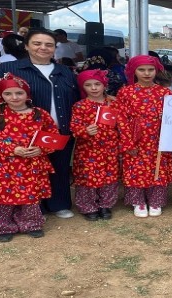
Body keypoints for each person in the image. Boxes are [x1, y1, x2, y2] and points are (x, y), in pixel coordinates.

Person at [0, 29, 80, 219]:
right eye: (37, 43)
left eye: (49, 44)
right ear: (26, 46)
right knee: (27, 171)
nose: (43, 48)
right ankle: (32, 208)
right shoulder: (9, 68)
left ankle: (59, 204)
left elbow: (77, 98)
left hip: (58, 130)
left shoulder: (64, 71)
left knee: (59, 167)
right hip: (21, 133)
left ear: (54, 49)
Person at [0, 73, 59, 242]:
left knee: (30, 197)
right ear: (1, 96)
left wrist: (41, 150)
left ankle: (31, 224)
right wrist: (13, 149)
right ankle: (0, 227)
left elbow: (53, 138)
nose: (14, 97)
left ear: (27, 94)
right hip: (2, 165)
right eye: (8, 94)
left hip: (31, 164)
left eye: (19, 93)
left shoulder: (40, 114)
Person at [112, 55, 172, 218]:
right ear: (134, 71)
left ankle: (156, 200)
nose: (147, 73)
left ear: (156, 70)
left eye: (150, 69)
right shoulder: (126, 92)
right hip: (135, 136)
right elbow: (121, 119)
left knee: (157, 167)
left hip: (158, 137)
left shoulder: (165, 92)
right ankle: (137, 201)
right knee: (135, 168)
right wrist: (127, 143)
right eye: (141, 69)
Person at [70, 69, 119, 221]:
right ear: (82, 87)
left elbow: (123, 123)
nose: (93, 88)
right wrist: (85, 130)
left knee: (109, 177)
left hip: (110, 148)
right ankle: (88, 207)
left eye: (97, 84)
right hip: (88, 150)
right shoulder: (79, 106)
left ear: (104, 85)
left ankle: (106, 205)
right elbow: (74, 127)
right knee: (87, 178)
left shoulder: (114, 103)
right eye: (88, 85)